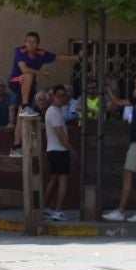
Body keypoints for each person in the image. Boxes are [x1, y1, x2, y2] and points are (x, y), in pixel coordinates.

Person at [103, 71, 136, 223]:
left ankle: (121, 211)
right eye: (135, 82)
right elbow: (118, 102)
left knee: (128, 174)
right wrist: (108, 89)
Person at [42, 83, 74, 223]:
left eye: (64, 95)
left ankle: (45, 206)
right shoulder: (54, 112)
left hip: (52, 149)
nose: (62, 98)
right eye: (59, 96)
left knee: (54, 180)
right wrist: (70, 149)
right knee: (62, 181)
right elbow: (60, 133)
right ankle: (58, 210)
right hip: (60, 150)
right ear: (53, 97)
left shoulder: (53, 111)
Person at [10, 32, 56, 106]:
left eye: (34, 42)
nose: (31, 44)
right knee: (28, 75)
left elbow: (57, 57)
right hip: (15, 81)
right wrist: (42, 72)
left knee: (26, 106)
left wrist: (77, 57)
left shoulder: (41, 53)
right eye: (28, 42)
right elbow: (24, 69)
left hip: (30, 84)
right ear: (25, 43)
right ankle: (25, 106)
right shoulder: (19, 51)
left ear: (38, 44)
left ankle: (23, 109)